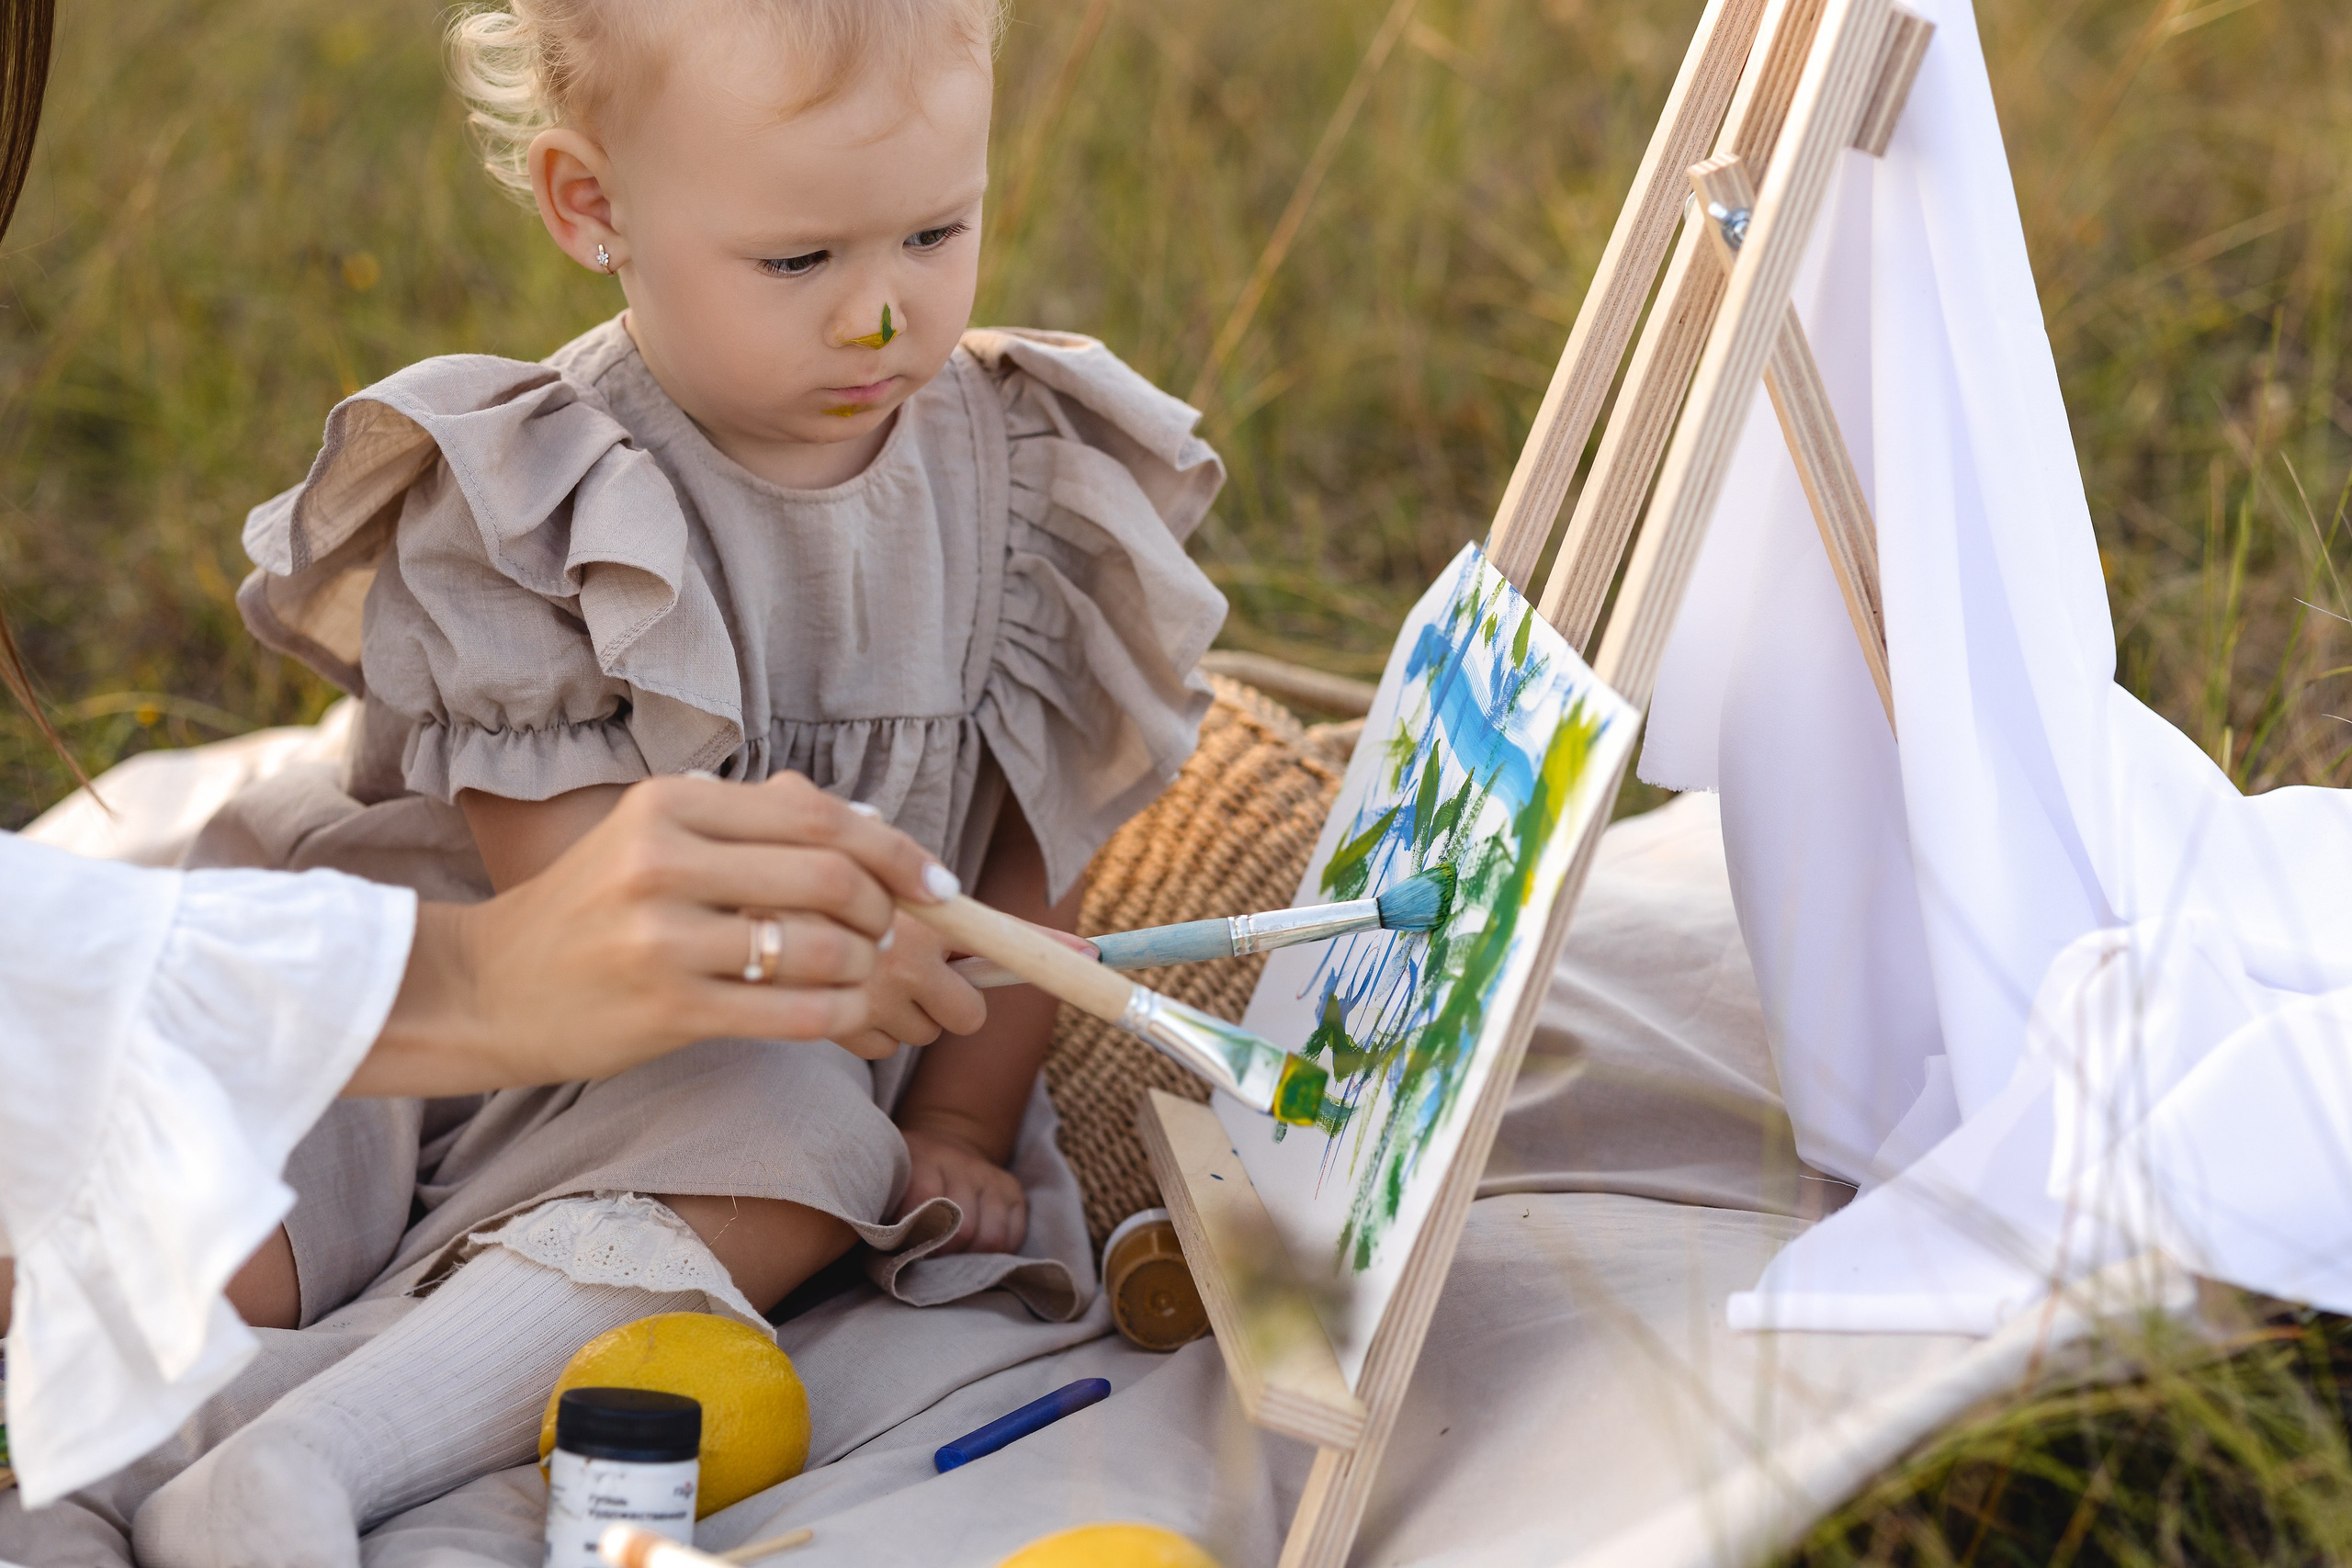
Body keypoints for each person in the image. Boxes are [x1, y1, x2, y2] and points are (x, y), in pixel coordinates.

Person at [96, 0, 1227, 1561]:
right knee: (239, 1196)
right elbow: (574, 905)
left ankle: (310, 1448)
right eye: (799, 262)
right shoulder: (535, 485)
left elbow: (1042, 833)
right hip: (465, 998)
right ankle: (125, 1427)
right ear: (593, 208)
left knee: (813, 1144)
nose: (883, 318)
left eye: (932, 232)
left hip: (749, 1068)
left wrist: (963, 1114)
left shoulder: (1019, 471)